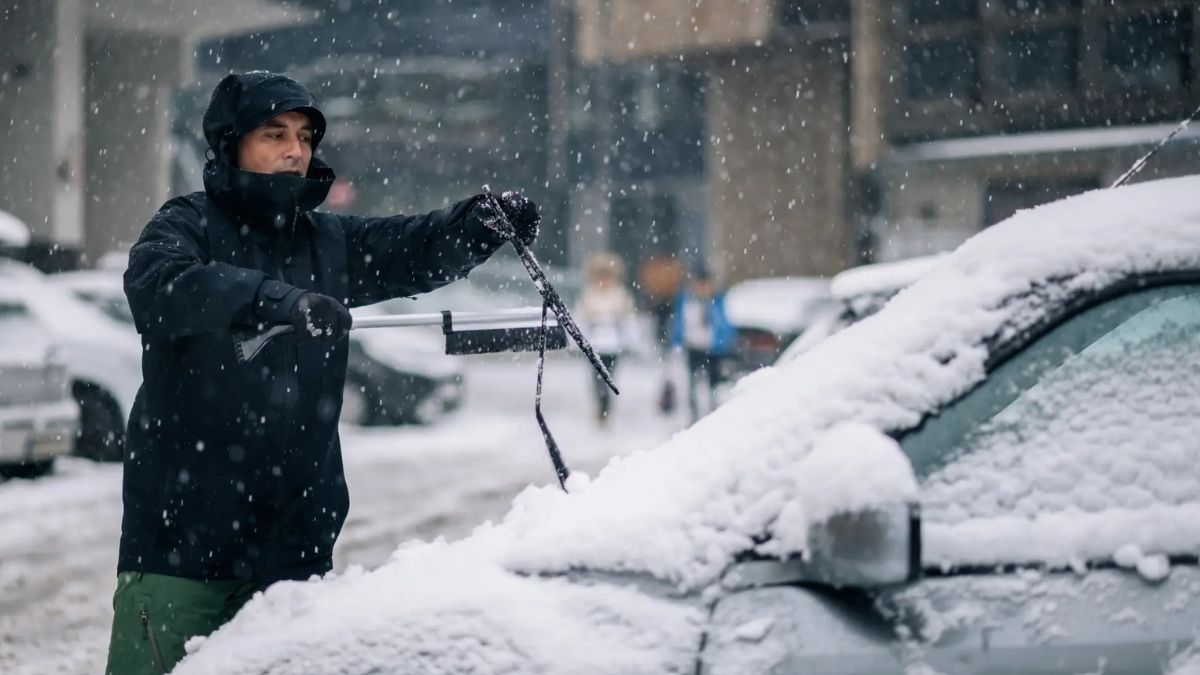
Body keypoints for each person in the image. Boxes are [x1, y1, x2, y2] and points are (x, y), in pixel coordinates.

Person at [107, 71, 540, 675]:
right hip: (183, 553)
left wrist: (477, 225)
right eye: (275, 134)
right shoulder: (186, 225)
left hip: (295, 557)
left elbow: (410, 246)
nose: (296, 150)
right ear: (231, 143)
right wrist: (276, 301)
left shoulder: (325, 241)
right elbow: (161, 286)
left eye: (306, 137)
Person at [577, 252, 637, 425]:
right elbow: (581, 319)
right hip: (594, 344)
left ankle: (606, 406)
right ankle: (600, 404)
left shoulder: (620, 295)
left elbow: (628, 320)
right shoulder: (589, 295)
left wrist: (629, 340)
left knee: (609, 376)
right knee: (596, 378)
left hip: (613, 344)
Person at [670, 267, 735, 423]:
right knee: (692, 383)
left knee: (713, 384)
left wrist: (724, 342)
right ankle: (694, 414)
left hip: (713, 349)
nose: (702, 288)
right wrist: (676, 341)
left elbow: (724, 324)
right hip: (693, 346)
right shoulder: (687, 301)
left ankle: (713, 412)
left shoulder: (717, 302)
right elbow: (679, 322)